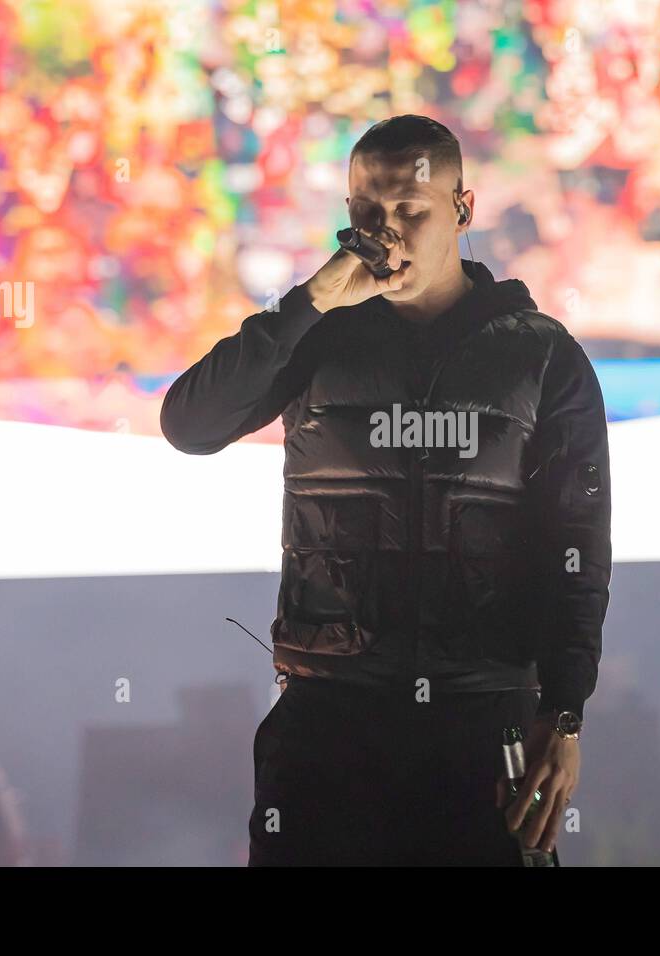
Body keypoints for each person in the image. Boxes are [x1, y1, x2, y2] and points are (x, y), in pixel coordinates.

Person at [160, 115, 611, 865]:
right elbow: (189, 423)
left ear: (462, 210)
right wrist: (305, 306)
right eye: (369, 213)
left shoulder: (543, 357)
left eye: (413, 211)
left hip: (481, 718)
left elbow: (578, 548)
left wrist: (564, 718)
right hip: (327, 722)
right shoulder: (319, 336)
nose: (389, 232)